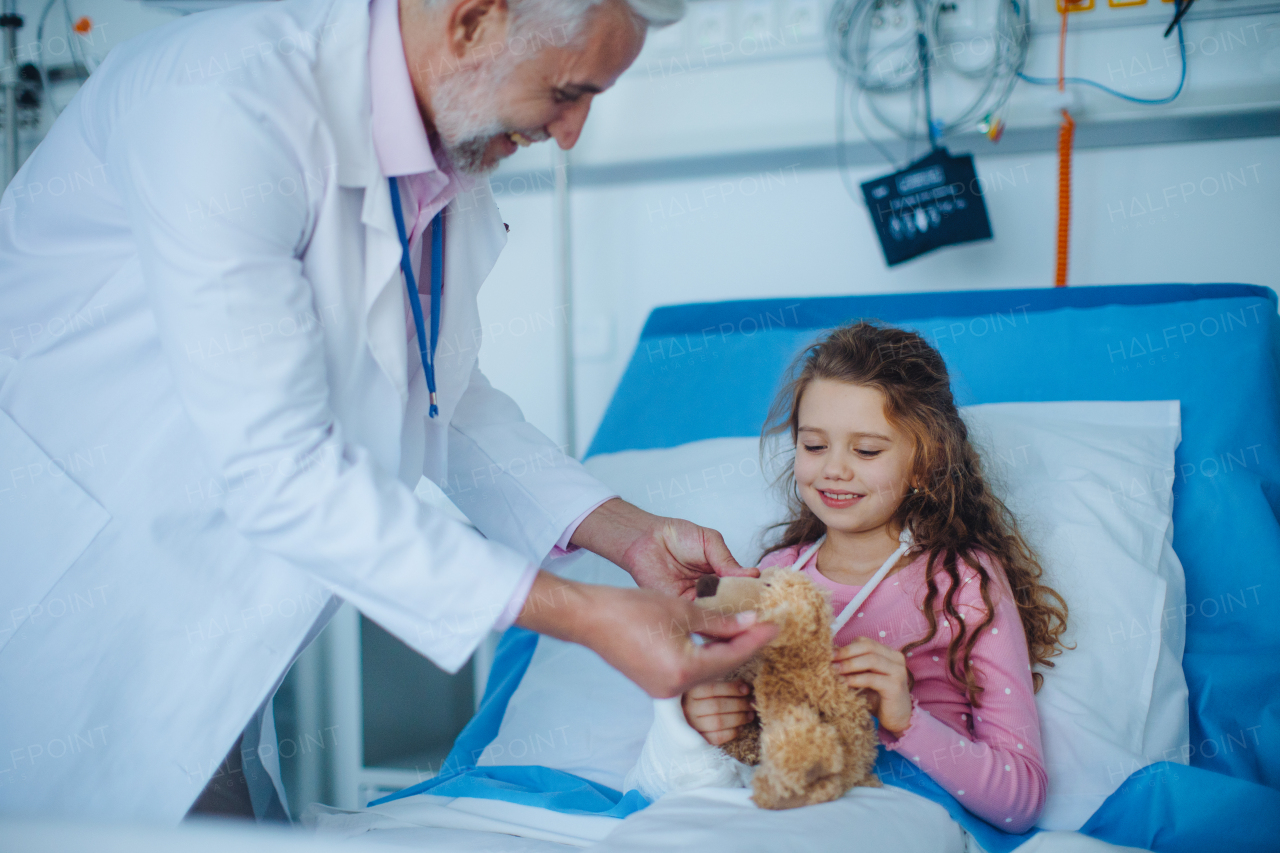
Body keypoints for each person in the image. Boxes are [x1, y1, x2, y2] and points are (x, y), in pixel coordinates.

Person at [0, 0, 774, 822]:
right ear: (473, 21)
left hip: (206, 630)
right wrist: (585, 613)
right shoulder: (223, 102)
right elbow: (282, 469)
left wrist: (624, 532)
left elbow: (441, 393)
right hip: (70, 601)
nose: (574, 131)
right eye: (567, 92)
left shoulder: (444, 161)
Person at [642, 322, 1070, 833]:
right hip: (782, 812)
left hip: (904, 822)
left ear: (925, 463)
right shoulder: (775, 577)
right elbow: (742, 727)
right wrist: (707, 719)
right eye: (815, 446)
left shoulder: (963, 582)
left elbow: (1021, 801)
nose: (834, 470)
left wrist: (907, 721)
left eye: (866, 451)